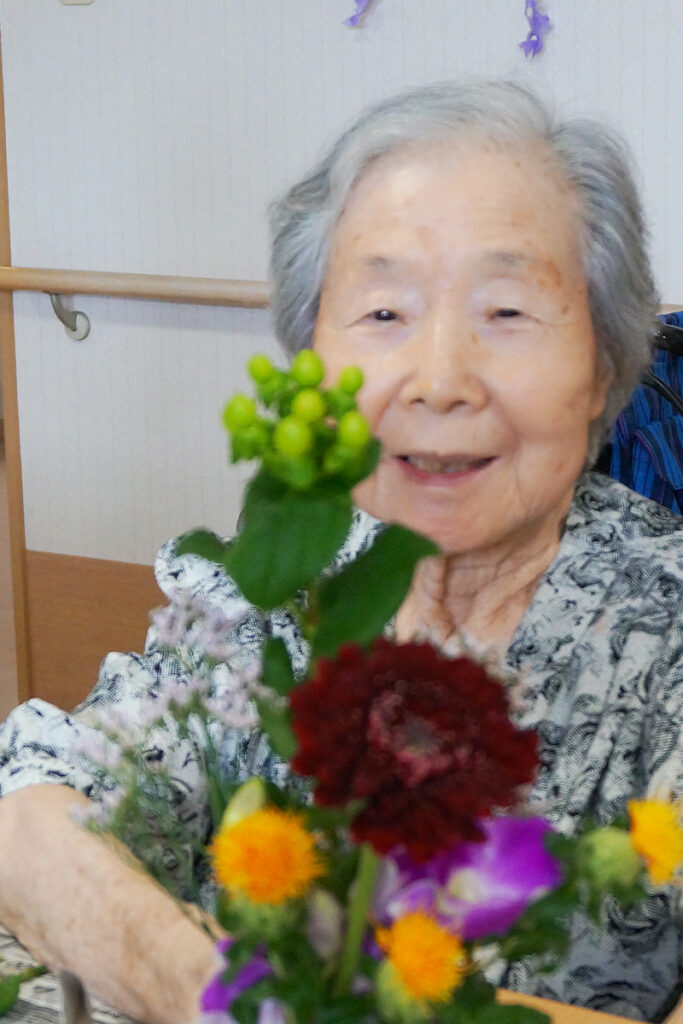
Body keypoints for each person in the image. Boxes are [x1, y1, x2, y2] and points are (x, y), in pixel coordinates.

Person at [0, 79, 681, 1024]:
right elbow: (33, 818)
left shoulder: (662, 632)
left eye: (507, 312)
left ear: (603, 365)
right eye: (384, 314)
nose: (439, 380)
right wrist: (218, 997)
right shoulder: (276, 584)